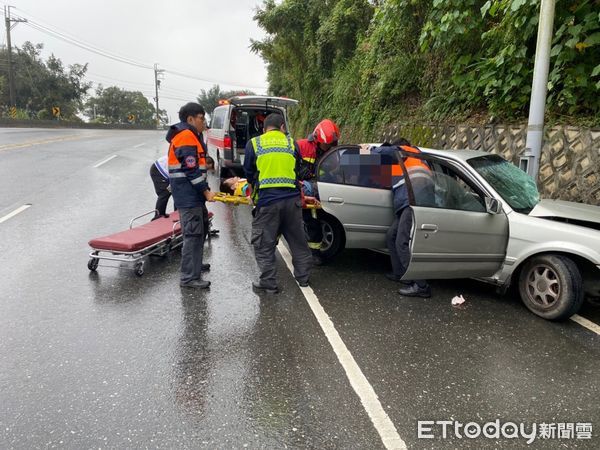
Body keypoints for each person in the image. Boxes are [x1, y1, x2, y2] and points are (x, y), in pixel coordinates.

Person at [244, 113, 312, 293]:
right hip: (292, 201)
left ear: (264, 129)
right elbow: (298, 170)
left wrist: (255, 187)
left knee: (264, 244)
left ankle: (269, 283)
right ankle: (303, 278)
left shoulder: (255, 143)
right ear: (282, 127)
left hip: (268, 202)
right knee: (298, 241)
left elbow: (249, 172)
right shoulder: (292, 143)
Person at [373, 139, 434, 298]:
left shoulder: (403, 150)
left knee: (401, 241)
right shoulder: (418, 156)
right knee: (391, 235)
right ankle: (400, 274)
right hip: (414, 200)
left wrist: (370, 149)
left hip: (413, 201)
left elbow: (379, 153)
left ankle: (421, 286)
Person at [167, 102, 216, 289]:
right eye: (202, 119)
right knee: (193, 234)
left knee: (201, 229)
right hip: (189, 195)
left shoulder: (192, 135)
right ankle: (189, 277)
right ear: (190, 119)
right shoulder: (186, 136)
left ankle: (195, 266)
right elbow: (192, 170)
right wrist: (206, 191)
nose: (204, 123)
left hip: (193, 195)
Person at [296, 119, 340, 265]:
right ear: (316, 138)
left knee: (314, 221)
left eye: (331, 145)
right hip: (301, 189)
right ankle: (308, 254)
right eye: (326, 144)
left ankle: (314, 252)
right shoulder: (301, 146)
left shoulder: (332, 153)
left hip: (319, 191)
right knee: (304, 221)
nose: (328, 147)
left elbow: (334, 171)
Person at [150, 155, 215, 221]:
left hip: (171, 171)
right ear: (205, 163)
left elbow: (201, 179)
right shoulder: (192, 162)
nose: (206, 170)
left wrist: (207, 190)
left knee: (177, 192)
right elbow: (192, 178)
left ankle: (177, 213)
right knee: (165, 192)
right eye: (207, 168)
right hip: (159, 170)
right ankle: (158, 216)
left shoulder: (199, 164)